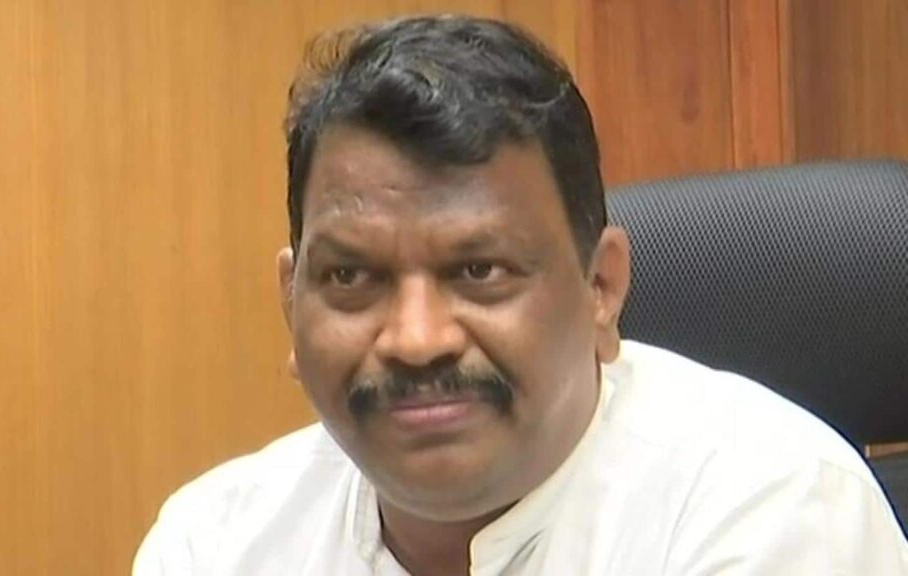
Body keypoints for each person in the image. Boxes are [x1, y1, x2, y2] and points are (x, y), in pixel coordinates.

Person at [133, 15, 908, 575]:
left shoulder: (770, 509)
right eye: (351, 278)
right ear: (291, 304)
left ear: (601, 287)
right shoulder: (215, 544)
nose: (415, 339)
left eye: (480, 272)